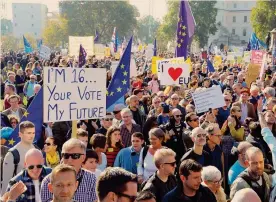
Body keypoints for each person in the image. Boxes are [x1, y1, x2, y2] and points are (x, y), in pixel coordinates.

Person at [1, 121, 36, 195]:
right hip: (20, 196)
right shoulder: (12, 154)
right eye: (28, 133)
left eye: (33, 133)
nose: (32, 136)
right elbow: (6, 182)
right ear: (20, 134)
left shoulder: (37, 150)